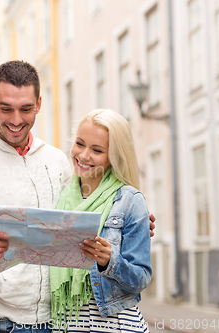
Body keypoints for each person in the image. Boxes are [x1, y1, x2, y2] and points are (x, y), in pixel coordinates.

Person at [0, 60, 156, 333]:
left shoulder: (57, 161)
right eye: (6, 108)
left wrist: (133, 223)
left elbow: (86, 212)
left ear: (39, 104)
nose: (16, 120)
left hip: (56, 321)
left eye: (26, 109)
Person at [50, 109, 151, 332]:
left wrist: (109, 261)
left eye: (97, 150)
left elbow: (142, 278)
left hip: (114, 324)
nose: (84, 155)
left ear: (114, 157)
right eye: (79, 143)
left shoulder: (129, 200)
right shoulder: (58, 195)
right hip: (67, 324)